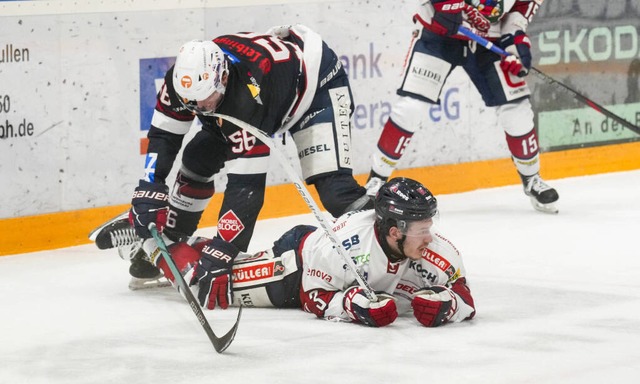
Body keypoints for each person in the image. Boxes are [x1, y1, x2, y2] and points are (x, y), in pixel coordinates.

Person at [92, 24, 372, 288]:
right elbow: (164, 137)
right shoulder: (184, 84)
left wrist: (226, 248)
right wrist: (150, 185)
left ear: (223, 76)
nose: (199, 108)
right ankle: (174, 235)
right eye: (191, 103)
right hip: (270, 85)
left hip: (315, 86)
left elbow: (246, 186)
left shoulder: (246, 100)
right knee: (197, 158)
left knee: (337, 194)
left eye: (205, 99)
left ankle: (398, 239)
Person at [138, 177, 476, 328]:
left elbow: (464, 295)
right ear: (393, 231)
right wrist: (350, 305)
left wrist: (448, 306)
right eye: (421, 230)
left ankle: (194, 244)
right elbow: (311, 294)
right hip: (297, 267)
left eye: (429, 226)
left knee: (227, 270)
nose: (429, 238)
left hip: (324, 267)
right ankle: (149, 241)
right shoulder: (344, 245)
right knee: (207, 285)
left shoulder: (436, 251)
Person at [366, 0, 559, 214]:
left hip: (488, 43)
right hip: (438, 34)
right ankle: (376, 180)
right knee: (411, 107)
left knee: (517, 111)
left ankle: (532, 178)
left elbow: (517, 16)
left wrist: (515, 48)